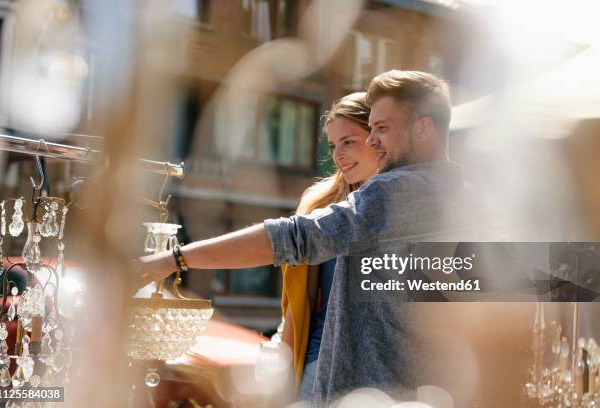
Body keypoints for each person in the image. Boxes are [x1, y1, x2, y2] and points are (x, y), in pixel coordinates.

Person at [139, 70, 473, 405]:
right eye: (370, 129)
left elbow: (296, 237)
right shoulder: (467, 199)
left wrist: (173, 259)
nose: (372, 141)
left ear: (423, 128)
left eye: (382, 129)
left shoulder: (395, 190)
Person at [279, 92, 378, 401]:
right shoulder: (318, 207)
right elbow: (298, 308)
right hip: (319, 366)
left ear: (378, 137)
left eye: (348, 141)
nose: (338, 156)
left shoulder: (409, 205)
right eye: (333, 146)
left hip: (382, 375)